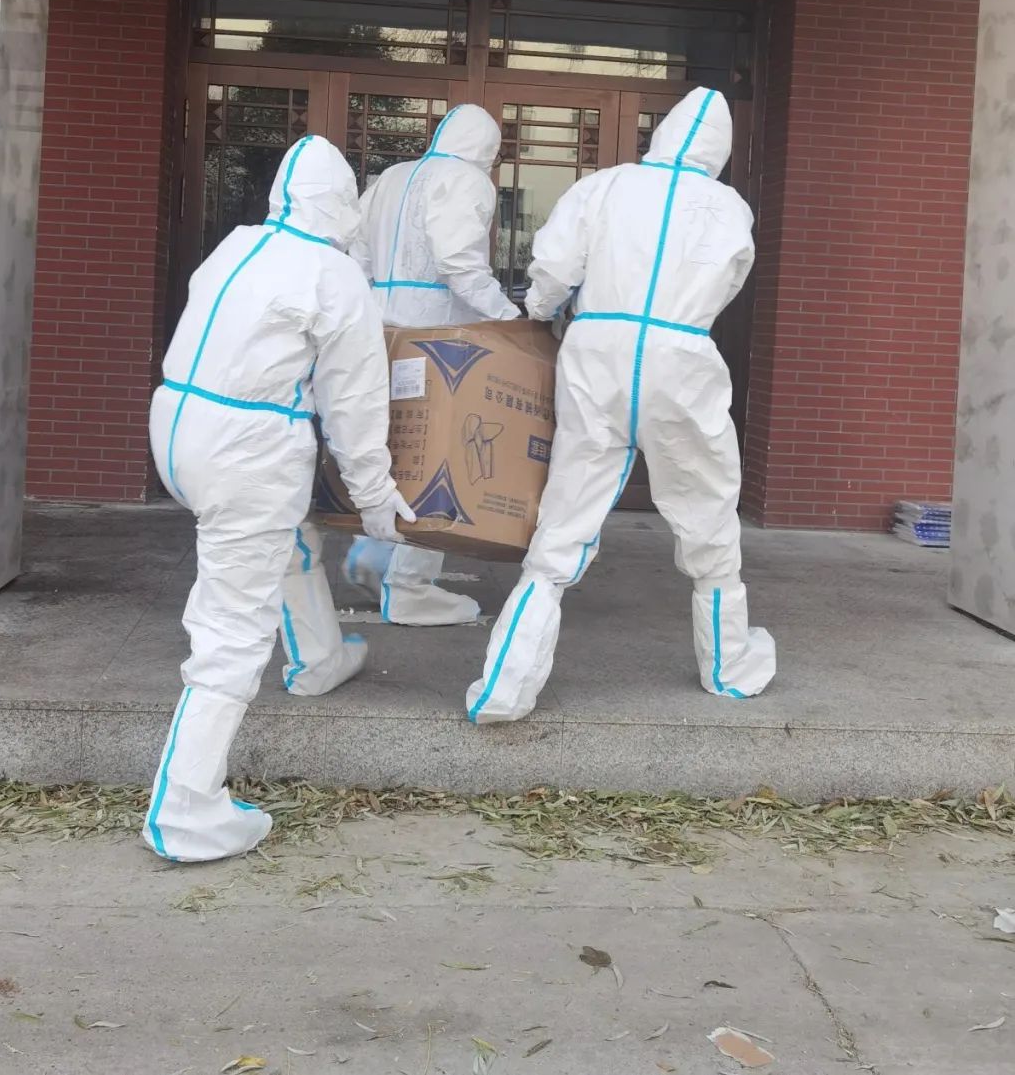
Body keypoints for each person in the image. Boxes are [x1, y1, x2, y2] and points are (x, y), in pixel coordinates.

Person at [466, 87, 775, 724]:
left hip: (597, 350)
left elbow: (553, 269)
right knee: (708, 509)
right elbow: (729, 282)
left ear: (662, 134)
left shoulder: (605, 186)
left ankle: (505, 684)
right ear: (720, 150)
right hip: (683, 355)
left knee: (566, 513)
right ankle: (729, 666)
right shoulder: (729, 208)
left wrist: (543, 312)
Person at [144, 135, 413, 861]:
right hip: (247, 448)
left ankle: (320, 656)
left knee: (286, 539)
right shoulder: (334, 275)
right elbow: (355, 403)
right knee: (233, 626)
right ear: (345, 203)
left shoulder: (235, 247)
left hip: (180, 426)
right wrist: (376, 497)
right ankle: (186, 810)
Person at [344, 103, 520, 626]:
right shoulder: (467, 180)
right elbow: (458, 263)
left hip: (379, 330)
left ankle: (372, 549)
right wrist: (511, 320)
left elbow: (356, 253)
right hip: (436, 338)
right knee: (437, 451)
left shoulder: (392, 177)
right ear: (487, 149)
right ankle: (410, 586)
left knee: (391, 445)